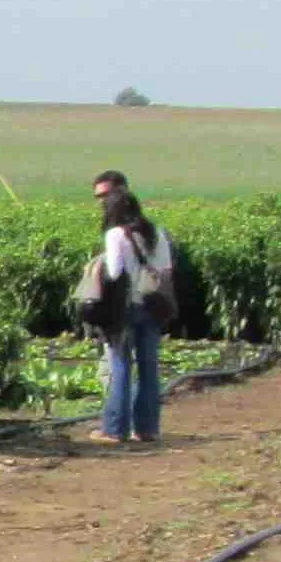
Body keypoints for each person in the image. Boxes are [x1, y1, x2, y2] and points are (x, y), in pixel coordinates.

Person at [81, 170, 180, 444]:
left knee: (121, 365)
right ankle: (147, 429)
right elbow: (166, 269)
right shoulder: (158, 232)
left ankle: (115, 429)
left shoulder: (115, 234)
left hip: (126, 307)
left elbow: (114, 272)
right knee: (149, 368)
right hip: (154, 307)